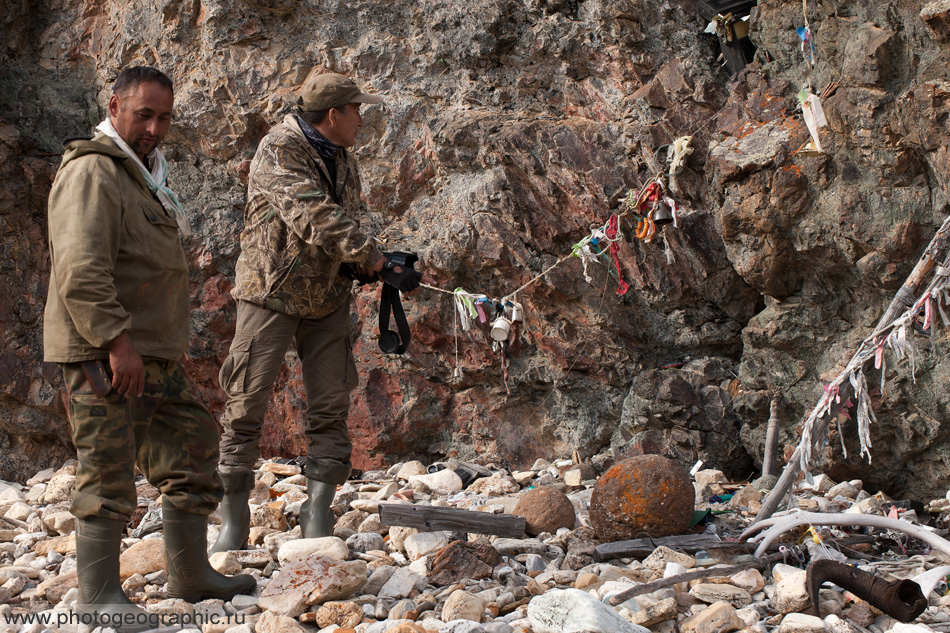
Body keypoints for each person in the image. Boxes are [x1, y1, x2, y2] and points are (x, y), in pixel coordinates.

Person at [44, 66, 256, 625]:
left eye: (164, 117)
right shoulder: (94, 172)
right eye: (145, 114)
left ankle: (189, 576)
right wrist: (117, 344)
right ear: (114, 106)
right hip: (106, 354)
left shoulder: (144, 174)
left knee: (192, 445)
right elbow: (81, 270)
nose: (156, 127)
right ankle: (97, 601)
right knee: (108, 470)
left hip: (152, 355)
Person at [212, 71, 422, 552]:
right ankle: (234, 522)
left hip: (326, 298)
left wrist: (372, 267)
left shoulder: (343, 159)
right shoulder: (279, 149)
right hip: (270, 294)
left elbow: (346, 220)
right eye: (357, 111)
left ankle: (317, 515)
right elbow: (311, 213)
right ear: (334, 115)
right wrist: (370, 257)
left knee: (330, 408)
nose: (362, 121)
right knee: (245, 404)